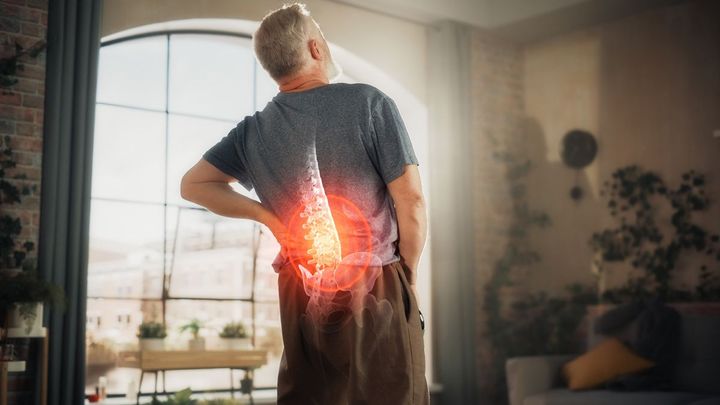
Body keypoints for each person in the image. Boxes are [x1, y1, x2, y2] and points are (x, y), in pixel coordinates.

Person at [180, 2, 429, 404]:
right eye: (322, 35)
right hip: (375, 284)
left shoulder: (252, 132)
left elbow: (194, 185)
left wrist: (271, 220)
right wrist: (409, 276)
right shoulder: (369, 103)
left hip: (300, 290)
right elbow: (412, 200)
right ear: (316, 49)